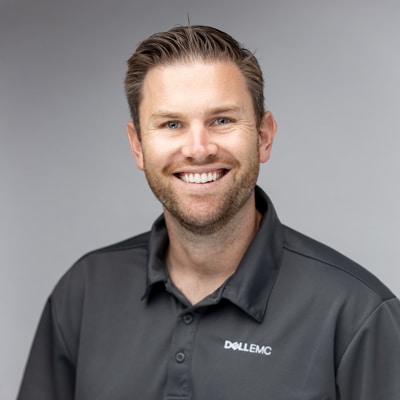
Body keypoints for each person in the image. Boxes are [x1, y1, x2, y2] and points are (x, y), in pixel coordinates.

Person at [18, 25, 400, 400]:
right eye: (172, 124)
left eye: (222, 120)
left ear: (264, 136)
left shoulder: (358, 315)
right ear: (137, 146)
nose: (198, 148)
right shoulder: (84, 292)